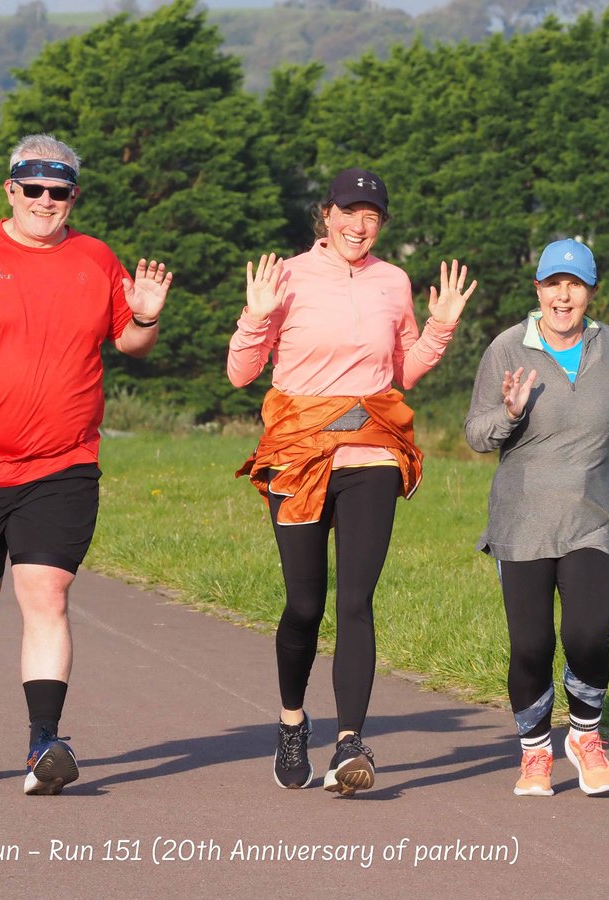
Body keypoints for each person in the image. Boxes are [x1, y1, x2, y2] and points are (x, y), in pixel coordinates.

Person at [0, 133, 172, 795]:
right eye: (34, 189)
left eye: (60, 191)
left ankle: (44, 743)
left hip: (62, 463)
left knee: (47, 594)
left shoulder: (94, 258)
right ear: (10, 190)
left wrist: (146, 318)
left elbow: (130, 342)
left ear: (72, 196)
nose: (46, 202)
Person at [228, 167, 476, 795]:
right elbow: (240, 373)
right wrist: (257, 318)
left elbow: (405, 370)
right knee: (304, 605)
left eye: (371, 216)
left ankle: (348, 744)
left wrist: (441, 325)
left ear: (381, 223)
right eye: (349, 212)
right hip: (298, 452)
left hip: (371, 450)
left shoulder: (394, 282)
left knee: (356, 602)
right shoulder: (284, 277)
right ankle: (291, 723)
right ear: (327, 215)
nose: (359, 226)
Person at [464, 238, 609, 797]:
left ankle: (586, 736)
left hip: (596, 515)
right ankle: (535, 752)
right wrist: (510, 414)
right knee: (531, 646)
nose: (562, 296)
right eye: (553, 284)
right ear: (537, 289)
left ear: (590, 292)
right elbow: (476, 434)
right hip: (524, 521)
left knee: (589, 634)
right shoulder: (505, 349)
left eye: (575, 285)